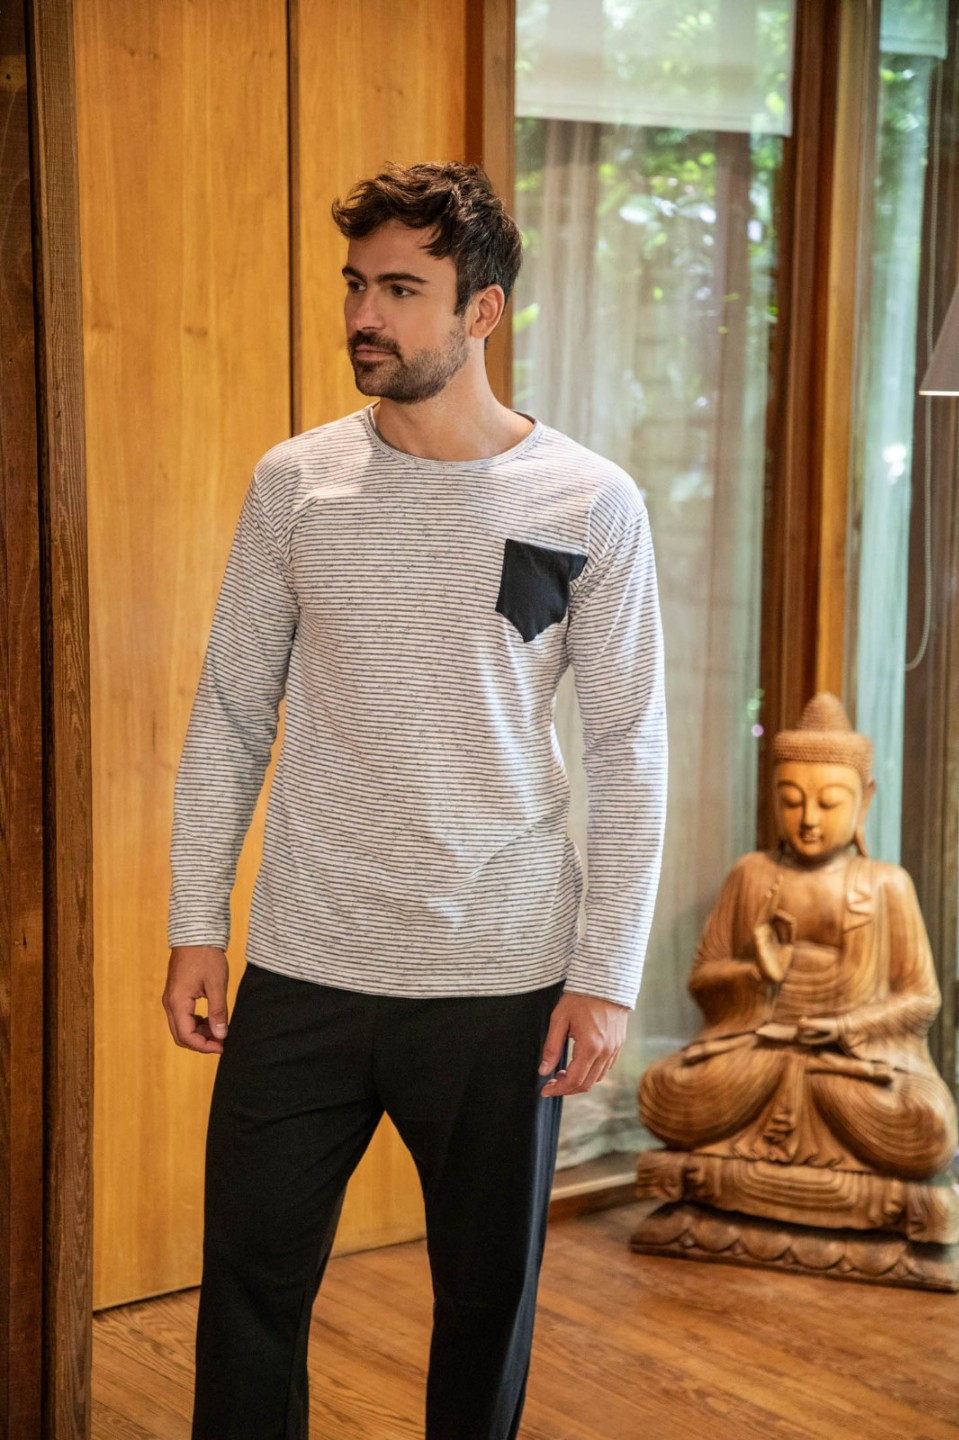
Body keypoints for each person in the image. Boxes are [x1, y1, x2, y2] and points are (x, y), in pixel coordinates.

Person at [163, 161, 667, 1440]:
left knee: (483, 1309)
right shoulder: (295, 484)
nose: (362, 316)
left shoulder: (588, 503)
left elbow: (627, 749)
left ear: (480, 312)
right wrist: (195, 921)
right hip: (304, 965)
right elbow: (230, 709)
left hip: (500, 978)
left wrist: (605, 975)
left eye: (399, 290)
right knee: (248, 1295)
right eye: (354, 285)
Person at [639, 692, 956, 1179]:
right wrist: (756, 974)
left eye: (829, 803)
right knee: (663, 1090)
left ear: (865, 802)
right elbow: (703, 979)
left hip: (847, 1068)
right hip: (759, 1057)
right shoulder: (751, 874)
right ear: (773, 797)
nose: (808, 819)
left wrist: (846, 1027)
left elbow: (920, 999)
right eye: (791, 800)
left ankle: (739, 1171)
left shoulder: (886, 885)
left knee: (929, 1128)